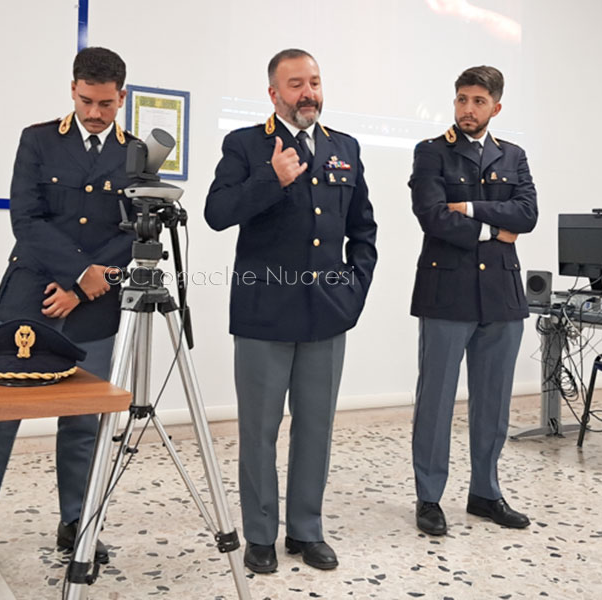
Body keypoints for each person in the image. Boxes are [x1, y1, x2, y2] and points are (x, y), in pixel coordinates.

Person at [0, 46, 137, 574]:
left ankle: (76, 523)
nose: (94, 113)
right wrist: (75, 276)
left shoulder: (136, 155)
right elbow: (27, 220)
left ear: (121, 97)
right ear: (73, 89)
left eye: (105, 104)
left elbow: (132, 235)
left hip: (95, 306)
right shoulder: (38, 140)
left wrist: (82, 290)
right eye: (86, 100)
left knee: (84, 422)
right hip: (31, 295)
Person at [205, 48, 377, 574]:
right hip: (263, 311)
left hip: (326, 314)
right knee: (259, 429)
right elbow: (216, 213)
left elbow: (363, 230)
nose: (309, 93)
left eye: (315, 82)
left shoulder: (343, 147)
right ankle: (260, 533)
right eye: (296, 84)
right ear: (274, 93)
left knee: (317, 426)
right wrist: (270, 180)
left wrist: (353, 290)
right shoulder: (245, 144)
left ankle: (306, 529)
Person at [408, 65, 537, 536]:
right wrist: (491, 228)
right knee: (436, 402)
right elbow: (431, 215)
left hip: (501, 296)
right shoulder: (431, 153)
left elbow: (527, 214)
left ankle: (485, 492)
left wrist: (470, 210)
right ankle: (429, 497)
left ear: (495, 107)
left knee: (493, 403)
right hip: (446, 293)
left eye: (478, 101)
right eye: (462, 99)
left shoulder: (514, 155)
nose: (468, 109)